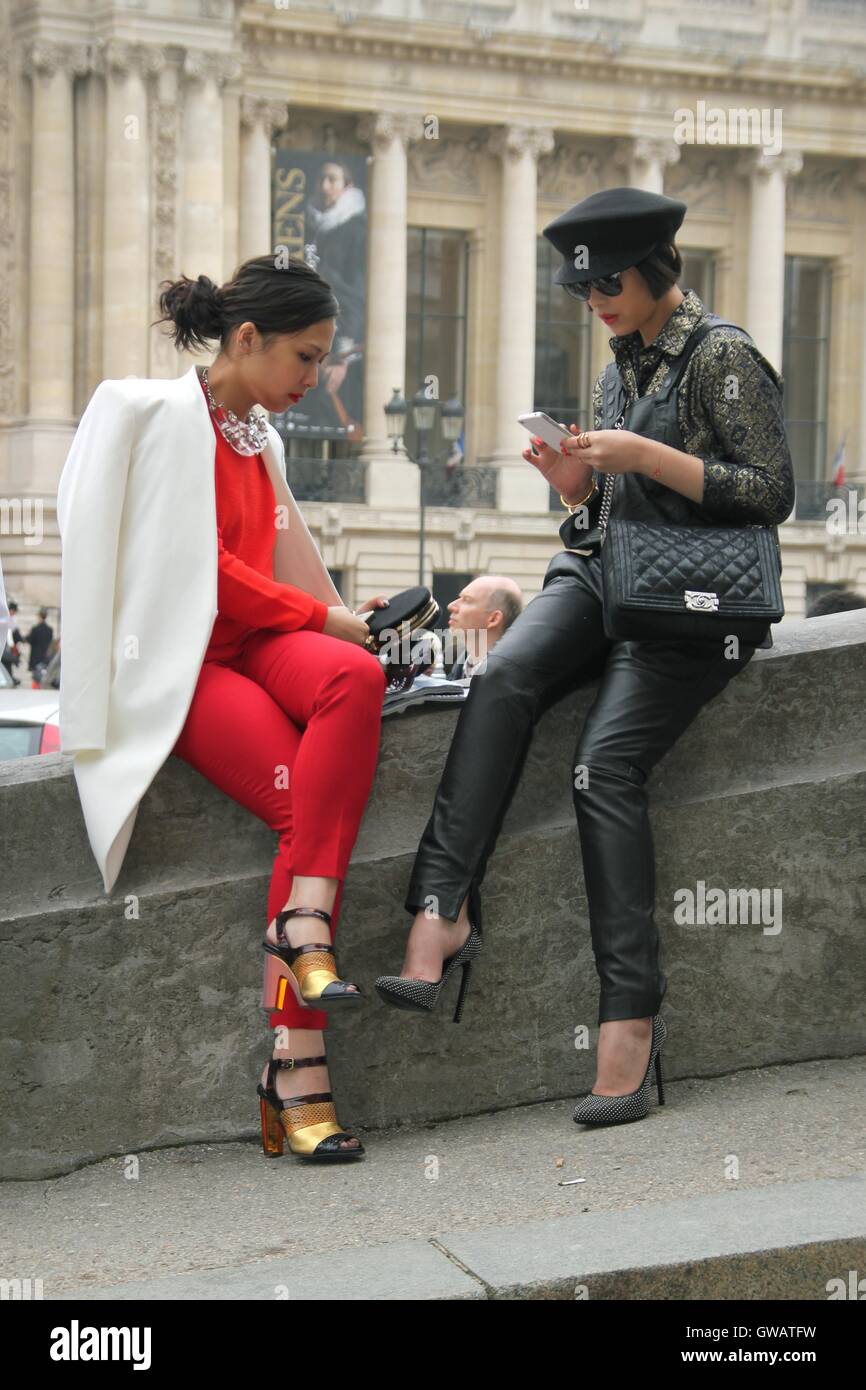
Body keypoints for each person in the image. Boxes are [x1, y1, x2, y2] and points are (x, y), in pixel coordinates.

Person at [375, 187, 795, 1128]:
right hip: (604, 574)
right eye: (581, 287)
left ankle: (630, 1016)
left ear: (655, 267)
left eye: (608, 281)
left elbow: (771, 492)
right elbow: (601, 518)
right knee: (504, 679)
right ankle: (442, 907)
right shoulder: (615, 366)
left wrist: (648, 459)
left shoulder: (721, 355)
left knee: (602, 768)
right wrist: (576, 486)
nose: (595, 299)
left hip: (692, 605)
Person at [57, 253, 389, 1163]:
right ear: (247, 339)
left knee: (354, 681)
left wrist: (348, 629)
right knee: (301, 806)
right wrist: (325, 616)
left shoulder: (259, 438)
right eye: (306, 359)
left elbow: (276, 569)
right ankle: (298, 1067)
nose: (315, 382)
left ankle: (304, 921)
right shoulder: (147, 412)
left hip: (257, 646)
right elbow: (195, 573)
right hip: (180, 662)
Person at [446, 576, 523, 680]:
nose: (451, 606)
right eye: (459, 598)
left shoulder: (513, 678)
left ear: (494, 619)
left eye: (467, 600)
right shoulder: (459, 668)